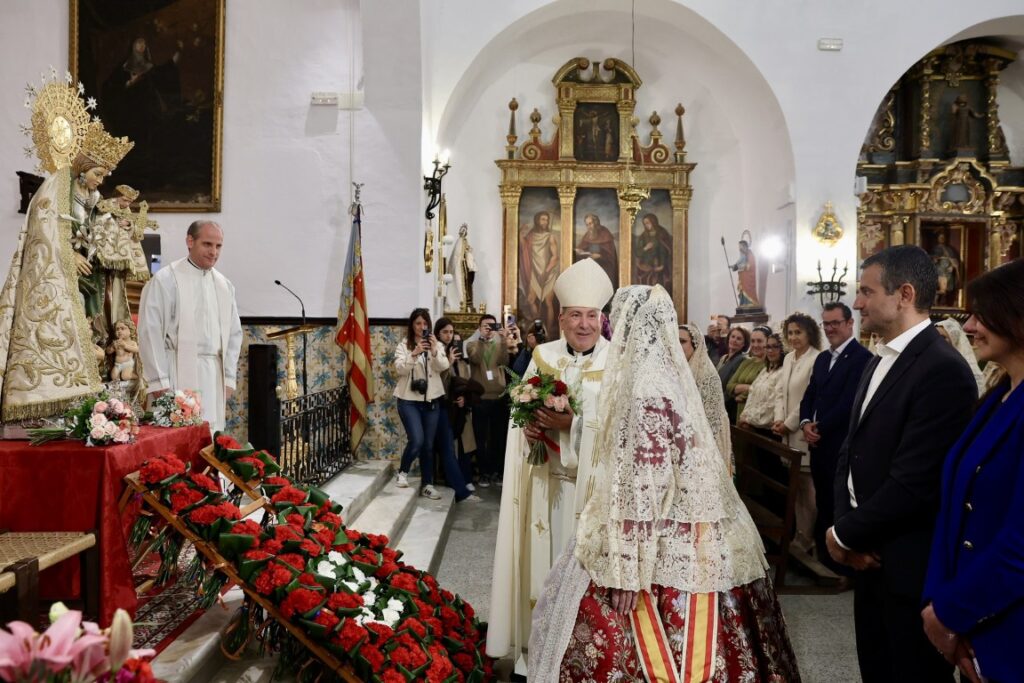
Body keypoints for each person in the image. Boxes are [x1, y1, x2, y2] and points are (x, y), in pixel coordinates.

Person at [528, 285, 800, 682]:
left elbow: (645, 486)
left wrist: (626, 571)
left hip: (663, 535)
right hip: (702, 528)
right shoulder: (669, 379)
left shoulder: (646, 390)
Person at [826, 245, 977, 682]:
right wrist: (845, 528)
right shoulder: (880, 358)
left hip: (908, 565)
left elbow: (916, 481)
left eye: (866, 292)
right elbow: (850, 451)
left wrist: (844, 534)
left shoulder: (942, 369)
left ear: (904, 294)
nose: (858, 303)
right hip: (868, 558)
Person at [487, 258, 614, 671]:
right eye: (575, 315)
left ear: (602, 319)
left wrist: (572, 425)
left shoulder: (617, 362)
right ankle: (535, 655)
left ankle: (579, 660)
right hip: (544, 486)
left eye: (591, 315)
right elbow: (517, 413)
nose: (584, 324)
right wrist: (526, 430)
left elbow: (619, 430)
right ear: (561, 319)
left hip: (591, 495)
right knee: (541, 572)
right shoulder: (542, 356)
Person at [0, 94, 133, 420]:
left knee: (94, 323)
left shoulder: (93, 196)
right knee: (70, 326)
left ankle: (91, 387)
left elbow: (98, 224)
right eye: (98, 173)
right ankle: (58, 395)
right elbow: (43, 233)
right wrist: (69, 254)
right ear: (83, 168)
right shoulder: (54, 189)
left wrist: (118, 227)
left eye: (104, 176)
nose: (101, 181)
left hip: (89, 271)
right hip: (60, 274)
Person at [922, 259, 1024, 683]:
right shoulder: (998, 396)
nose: (969, 327)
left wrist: (952, 612)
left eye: (981, 315)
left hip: (1008, 624)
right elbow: (952, 507)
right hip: (972, 614)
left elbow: (1019, 545)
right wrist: (938, 605)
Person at [137, 221, 243, 432]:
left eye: (218, 246)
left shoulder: (224, 285)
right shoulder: (166, 279)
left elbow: (234, 335)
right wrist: (159, 381)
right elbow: (150, 332)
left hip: (214, 377)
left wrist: (229, 378)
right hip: (175, 373)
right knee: (176, 439)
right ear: (190, 241)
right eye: (207, 244)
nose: (213, 252)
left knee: (209, 437)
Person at [798, 302, 872, 577]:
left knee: (837, 502)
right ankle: (823, 558)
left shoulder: (862, 358)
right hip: (818, 442)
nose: (829, 329)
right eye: (826, 324)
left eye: (835, 323)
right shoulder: (822, 359)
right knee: (823, 501)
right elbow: (810, 395)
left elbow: (850, 402)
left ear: (849, 323)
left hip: (840, 443)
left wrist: (819, 427)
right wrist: (805, 422)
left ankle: (839, 565)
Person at [772, 312, 821, 555]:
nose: (793, 337)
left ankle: (806, 538)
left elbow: (808, 398)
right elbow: (780, 391)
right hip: (786, 429)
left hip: (802, 429)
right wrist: (778, 418)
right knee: (796, 487)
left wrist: (789, 423)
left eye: (798, 332)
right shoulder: (789, 358)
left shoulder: (816, 358)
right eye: (790, 333)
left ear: (809, 333)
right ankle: (798, 534)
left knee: (807, 488)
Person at [390, 308, 449, 499]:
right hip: (408, 401)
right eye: (418, 323)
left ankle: (427, 484)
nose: (422, 327)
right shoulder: (403, 346)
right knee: (417, 440)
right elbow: (400, 370)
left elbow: (443, 366)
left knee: (428, 446)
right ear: (412, 325)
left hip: (431, 401)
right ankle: (403, 472)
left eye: (425, 323)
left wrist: (434, 350)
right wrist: (414, 353)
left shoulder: (437, 345)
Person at [431, 318, 482, 503]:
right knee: (436, 447)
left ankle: (461, 489)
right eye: (445, 332)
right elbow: (439, 381)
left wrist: (464, 398)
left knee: (449, 448)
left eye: (451, 332)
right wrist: (448, 362)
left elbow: (463, 382)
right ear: (438, 333)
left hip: (453, 409)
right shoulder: (436, 352)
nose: (449, 335)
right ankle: (437, 483)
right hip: (436, 405)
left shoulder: (455, 355)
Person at [679, 324, 732, 475]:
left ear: (696, 345)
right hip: (684, 439)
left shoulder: (708, 376)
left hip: (706, 444)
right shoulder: (678, 370)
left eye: (682, 341)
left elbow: (712, 422)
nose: (677, 345)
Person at [466, 314, 510, 488]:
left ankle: (497, 472)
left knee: (498, 438)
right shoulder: (472, 345)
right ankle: (483, 472)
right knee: (481, 437)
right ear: (479, 328)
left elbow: (504, 361)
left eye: (492, 326)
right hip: (481, 398)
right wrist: (481, 339)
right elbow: (475, 358)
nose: (489, 329)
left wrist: (504, 340)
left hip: (499, 397)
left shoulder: (500, 345)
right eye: (485, 326)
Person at [518, 211, 561, 335]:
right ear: (537, 220)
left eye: (546, 220)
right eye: (542, 219)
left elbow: (555, 257)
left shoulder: (550, 236)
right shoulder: (531, 236)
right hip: (535, 272)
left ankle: (548, 332)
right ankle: (538, 328)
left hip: (549, 273)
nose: (545, 222)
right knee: (531, 300)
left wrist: (546, 272)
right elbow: (524, 246)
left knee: (548, 302)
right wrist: (520, 232)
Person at [739, 332, 786, 440]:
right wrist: (745, 415)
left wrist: (749, 419)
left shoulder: (783, 372)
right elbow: (752, 394)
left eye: (775, 347)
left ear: (783, 349)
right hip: (752, 426)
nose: (770, 350)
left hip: (769, 431)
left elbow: (772, 405)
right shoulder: (765, 370)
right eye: (768, 347)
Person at [726, 325, 770, 422]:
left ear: (768, 342)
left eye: (759, 341)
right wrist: (749, 387)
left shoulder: (768, 365)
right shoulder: (747, 361)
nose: (755, 345)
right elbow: (729, 386)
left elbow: (762, 390)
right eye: (753, 341)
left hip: (756, 415)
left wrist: (740, 392)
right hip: (739, 412)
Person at [935, 318, 986, 395]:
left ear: (954, 340)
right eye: (935, 336)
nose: (937, 341)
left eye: (942, 337)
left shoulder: (969, 372)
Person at [633, 212, 673, 295]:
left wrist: (662, 265)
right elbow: (637, 252)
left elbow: (666, 250)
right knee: (646, 286)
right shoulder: (643, 236)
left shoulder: (662, 233)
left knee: (658, 286)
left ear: (653, 222)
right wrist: (645, 248)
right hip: (646, 266)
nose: (646, 225)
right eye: (644, 224)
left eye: (648, 223)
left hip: (659, 266)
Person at [574, 213, 618, 288]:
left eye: (590, 223)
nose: (589, 227)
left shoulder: (605, 233)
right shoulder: (588, 234)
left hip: (604, 267)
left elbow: (611, 256)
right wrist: (579, 250)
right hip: (590, 267)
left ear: (596, 222)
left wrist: (600, 256)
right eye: (587, 225)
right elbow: (582, 246)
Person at [716, 326, 750, 394]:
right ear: (728, 338)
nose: (734, 340)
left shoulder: (742, 359)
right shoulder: (724, 357)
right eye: (733, 336)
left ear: (744, 344)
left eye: (738, 339)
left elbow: (730, 384)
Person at [730, 238, 759, 307]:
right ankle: (743, 303)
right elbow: (740, 262)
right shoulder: (743, 254)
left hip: (748, 278)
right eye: (739, 247)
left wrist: (738, 267)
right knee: (742, 289)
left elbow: (750, 266)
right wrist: (735, 266)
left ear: (745, 246)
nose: (739, 249)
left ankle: (751, 303)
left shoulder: (750, 254)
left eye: (740, 247)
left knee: (748, 289)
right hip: (743, 277)